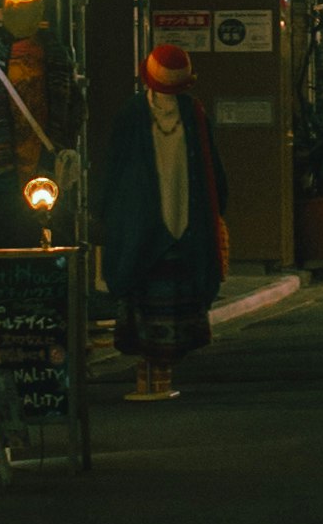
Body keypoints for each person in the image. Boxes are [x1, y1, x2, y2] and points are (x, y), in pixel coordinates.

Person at [95, 38, 226, 403]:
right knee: (177, 296)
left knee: (141, 295)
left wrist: (104, 212)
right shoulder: (193, 114)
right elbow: (213, 170)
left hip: (140, 226)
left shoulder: (132, 114)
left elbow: (114, 169)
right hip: (185, 220)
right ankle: (163, 375)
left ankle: (148, 376)